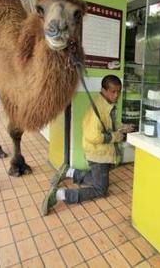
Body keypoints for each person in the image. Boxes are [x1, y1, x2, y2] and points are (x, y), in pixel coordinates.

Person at [41, 75, 135, 215]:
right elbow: (93, 136)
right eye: (113, 91)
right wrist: (116, 136)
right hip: (98, 154)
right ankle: (60, 195)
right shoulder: (97, 109)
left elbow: (110, 125)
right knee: (100, 189)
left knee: (99, 179)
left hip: (102, 153)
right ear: (103, 90)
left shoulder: (107, 106)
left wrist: (123, 127)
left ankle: (69, 172)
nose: (116, 95)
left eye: (119, 92)